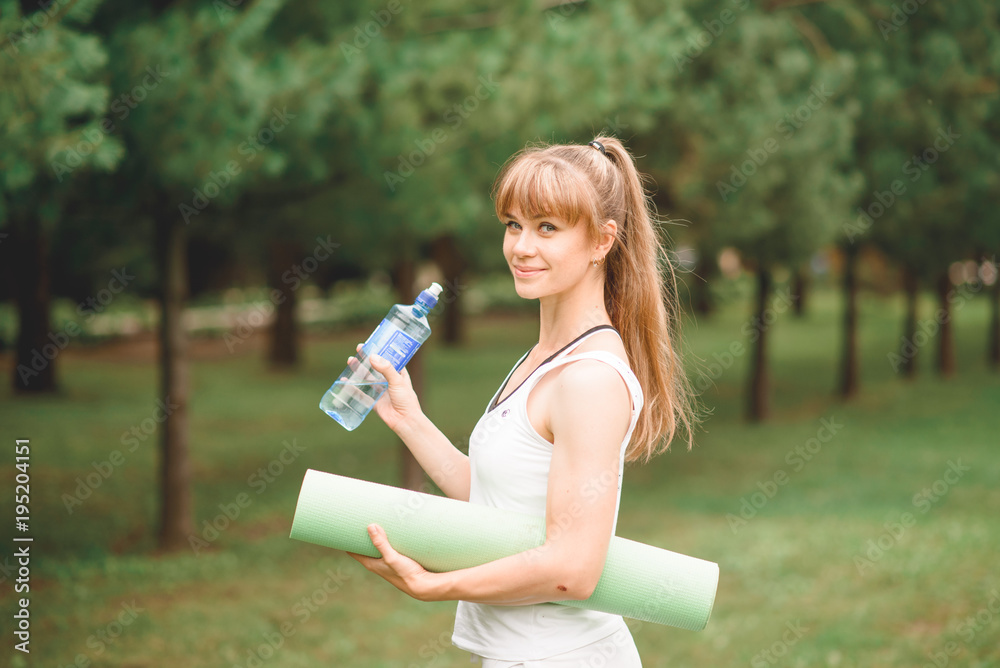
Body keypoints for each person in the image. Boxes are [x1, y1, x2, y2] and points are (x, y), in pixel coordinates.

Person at [347, 136, 696, 666]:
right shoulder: (542, 357)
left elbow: (572, 570)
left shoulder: (588, 379)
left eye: (547, 227)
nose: (521, 247)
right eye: (514, 224)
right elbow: (499, 503)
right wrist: (409, 419)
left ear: (603, 241)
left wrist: (432, 586)